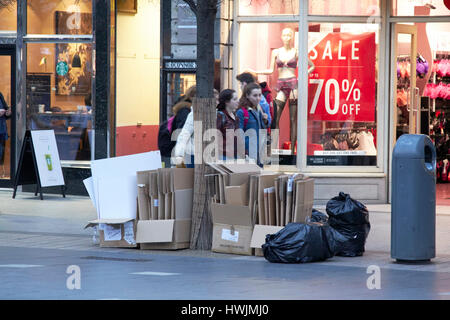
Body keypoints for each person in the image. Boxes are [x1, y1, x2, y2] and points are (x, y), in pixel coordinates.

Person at [253, 27, 315, 153]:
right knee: (275, 117)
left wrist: (302, 75)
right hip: (281, 84)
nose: (287, 37)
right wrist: (255, 72)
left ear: (292, 37)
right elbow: (271, 70)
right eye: (285, 35)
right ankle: (272, 149)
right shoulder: (276, 52)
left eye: (289, 35)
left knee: (293, 119)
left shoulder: (297, 52)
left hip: (293, 84)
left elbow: (312, 66)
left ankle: (293, 152)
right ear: (281, 37)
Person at [236, 83, 267, 167]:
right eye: (255, 95)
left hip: (260, 152)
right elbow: (239, 134)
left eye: (260, 95)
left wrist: (265, 121)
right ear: (247, 95)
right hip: (249, 154)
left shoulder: (258, 110)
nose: (258, 98)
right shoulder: (241, 112)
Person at [216, 89, 243, 161]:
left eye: (237, 98)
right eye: (235, 99)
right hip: (223, 155)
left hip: (234, 154)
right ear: (227, 102)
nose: (238, 101)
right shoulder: (220, 116)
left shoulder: (235, 116)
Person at [0, 92, 11, 177]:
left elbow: (5, 109)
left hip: (1, 130)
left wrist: (8, 112)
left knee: (1, 153)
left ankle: (1, 173)